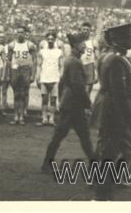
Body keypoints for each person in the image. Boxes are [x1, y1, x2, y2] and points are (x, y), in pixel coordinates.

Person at [92, 23, 131, 201]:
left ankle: (103, 186)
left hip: (109, 108)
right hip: (114, 111)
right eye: (129, 36)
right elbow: (119, 93)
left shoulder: (110, 57)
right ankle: (101, 194)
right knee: (110, 151)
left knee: (109, 149)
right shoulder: (117, 60)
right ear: (119, 39)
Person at [41, 32, 96, 172]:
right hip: (74, 105)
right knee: (81, 137)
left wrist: (62, 99)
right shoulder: (74, 62)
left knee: (67, 136)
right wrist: (88, 104)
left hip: (69, 104)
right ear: (76, 46)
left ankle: (47, 163)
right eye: (82, 44)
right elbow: (78, 86)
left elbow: (62, 84)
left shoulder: (71, 61)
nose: (85, 46)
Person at [7, 26, 36, 125]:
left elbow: (34, 60)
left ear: (25, 33)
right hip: (15, 70)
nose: (20, 34)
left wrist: (33, 74)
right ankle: (16, 115)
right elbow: (8, 60)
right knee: (16, 94)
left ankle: (22, 115)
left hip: (25, 69)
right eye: (18, 32)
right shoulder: (11, 45)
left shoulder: (30, 45)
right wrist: (8, 74)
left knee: (23, 93)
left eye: (22, 32)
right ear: (16, 33)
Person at [36, 32, 64, 126]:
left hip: (54, 78)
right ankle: (44, 118)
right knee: (44, 98)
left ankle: (51, 118)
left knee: (53, 99)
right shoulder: (42, 51)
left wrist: (60, 76)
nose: (50, 41)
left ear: (55, 40)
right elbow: (39, 65)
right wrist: (38, 76)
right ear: (46, 40)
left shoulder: (59, 52)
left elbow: (61, 66)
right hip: (44, 78)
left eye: (52, 39)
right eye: (49, 39)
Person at [80, 22, 99, 97]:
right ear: (81, 30)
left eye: (87, 29)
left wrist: (97, 72)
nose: (85, 31)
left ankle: (86, 107)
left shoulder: (93, 42)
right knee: (78, 90)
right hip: (79, 66)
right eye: (83, 29)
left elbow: (97, 58)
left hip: (89, 66)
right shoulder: (77, 42)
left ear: (90, 31)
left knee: (87, 91)